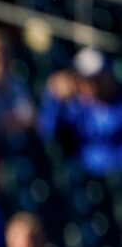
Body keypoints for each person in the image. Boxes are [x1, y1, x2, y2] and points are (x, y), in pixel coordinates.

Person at [38, 47, 122, 177]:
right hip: (88, 177)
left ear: (108, 75)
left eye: (95, 79)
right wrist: (53, 96)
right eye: (83, 80)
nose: (89, 85)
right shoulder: (77, 109)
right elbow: (47, 132)